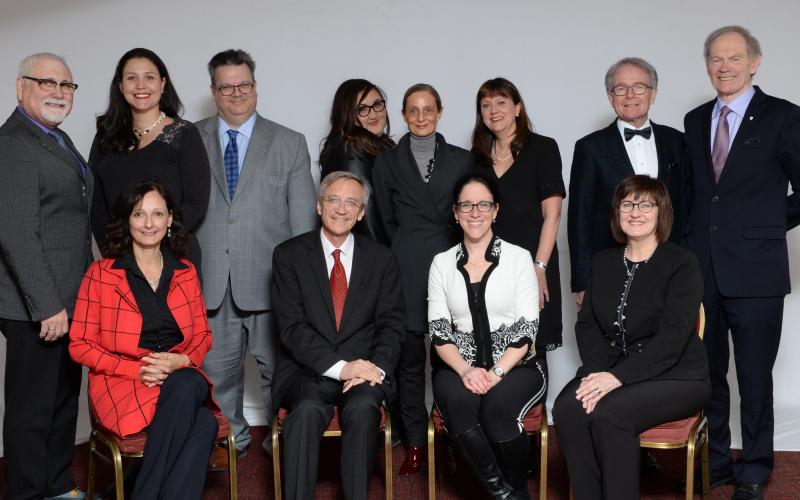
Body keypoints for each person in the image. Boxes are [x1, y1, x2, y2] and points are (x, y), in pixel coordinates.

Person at [684, 26, 800, 500]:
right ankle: (717, 464)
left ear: (754, 63)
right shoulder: (694, 120)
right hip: (702, 269)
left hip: (757, 272)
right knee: (707, 375)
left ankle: (754, 469)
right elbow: (696, 194)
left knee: (754, 378)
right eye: (715, 59)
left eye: (734, 58)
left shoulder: (784, 118)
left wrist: (767, 226)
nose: (724, 66)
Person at [195, 48, 318, 467]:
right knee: (216, 378)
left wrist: (302, 292)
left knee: (278, 376)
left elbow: (304, 227)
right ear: (213, 90)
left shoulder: (289, 142)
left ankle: (282, 445)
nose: (236, 94)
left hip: (272, 284)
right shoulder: (187, 139)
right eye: (226, 87)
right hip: (209, 280)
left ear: (255, 86)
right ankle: (233, 443)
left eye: (243, 85)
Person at [553, 176, 709, 500]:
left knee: (612, 413)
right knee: (568, 407)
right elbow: (588, 325)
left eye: (645, 204)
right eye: (627, 204)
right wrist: (598, 374)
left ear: (661, 212)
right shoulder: (603, 261)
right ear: (617, 212)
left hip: (678, 376)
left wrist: (617, 378)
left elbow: (673, 337)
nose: (635, 212)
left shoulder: (682, 263)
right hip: (611, 370)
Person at [70, 181, 217, 499]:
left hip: (179, 373)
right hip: (123, 381)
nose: (149, 223)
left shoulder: (185, 271)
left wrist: (183, 360)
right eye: (139, 214)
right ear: (126, 220)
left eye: (157, 214)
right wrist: (135, 370)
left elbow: (203, 335)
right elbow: (79, 344)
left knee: (188, 382)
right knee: (204, 422)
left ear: (170, 221)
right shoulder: (100, 274)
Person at [271, 171, 405, 500]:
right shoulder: (288, 255)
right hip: (307, 370)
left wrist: (376, 369)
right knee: (304, 413)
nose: (341, 209)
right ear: (318, 205)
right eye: (333, 199)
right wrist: (341, 367)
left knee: (362, 410)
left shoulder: (382, 258)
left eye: (351, 203)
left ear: (361, 213)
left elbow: (392, 324)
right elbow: (292, 328)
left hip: (366, 369)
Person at [0, 52, 92, 500]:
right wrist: (47, 305)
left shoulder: (54, 138)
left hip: (67, 300)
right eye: (47, 83)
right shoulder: (14, 143)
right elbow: (16, 233)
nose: (58, 92)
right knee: (30, 411)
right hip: (36, 306)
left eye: (67, 85)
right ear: (21, 87)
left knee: (60, 404)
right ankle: (24, 493)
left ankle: (56, 486)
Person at [372, 83, 472, 475]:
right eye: (412, 110)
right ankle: (415, 442)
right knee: (410, 362)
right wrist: (401, 252)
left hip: (452, 264)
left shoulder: (462, 160)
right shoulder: (386, 162)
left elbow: (471, 212)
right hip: (407, 265)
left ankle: (452, 437)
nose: (420, 117)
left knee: (452, 357)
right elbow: (382, 221)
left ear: (440, 111)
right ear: (403, 114)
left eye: (428, 109)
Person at [428, 172, 545, 499]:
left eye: (483, 205)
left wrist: (495, 373)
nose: (474, 212)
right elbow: (439, 333)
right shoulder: (441, 264)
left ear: (496, 210)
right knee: (460, 404)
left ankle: (518, 488)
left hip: (516, 366)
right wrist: (466, 370)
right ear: (455, 212)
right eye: (466, 205)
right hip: (457, 367)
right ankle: (505, 495)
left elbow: (525, 330)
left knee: (496, 408)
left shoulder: (519, 258)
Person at [568, 57, 687, 310]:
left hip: (670, 267)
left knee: (670, 342)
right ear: (610, 97)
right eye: (620, 88)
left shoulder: (678, 142)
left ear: (653, 94)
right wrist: (582, 281)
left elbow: (687, 207)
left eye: (639, 87)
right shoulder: (590, 147)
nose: (630, 95)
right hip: (611, 268)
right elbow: (580, 218)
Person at [471, 77, 565, 374]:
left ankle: (534, 421)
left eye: (501, 102)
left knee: (531, 349)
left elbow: (552, 216)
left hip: (531, 264)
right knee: (489, 348)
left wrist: (539, 268)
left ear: (517, 108)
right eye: (486, 105)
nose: (493, 110)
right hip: (487, 267)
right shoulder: (477, 159)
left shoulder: (543, 149)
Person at [89, 48, 210, 268]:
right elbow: (96, 203)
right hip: (119, 259)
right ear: (120, 85)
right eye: (131, 78)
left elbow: (196, 202)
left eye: (149, 77)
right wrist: (117, 249)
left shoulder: (184, 133)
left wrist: (153, 243)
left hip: (174, 256)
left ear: (163, 84)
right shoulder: (105, 136)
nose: (141, 85)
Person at [320, 78, 396, 244]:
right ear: (346, 114)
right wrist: (384, 260)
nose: (374, 114)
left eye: (377, 104)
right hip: (369, 255)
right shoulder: (352, 149)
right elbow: (363, 211)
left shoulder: (379, 146)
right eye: (362, 109)